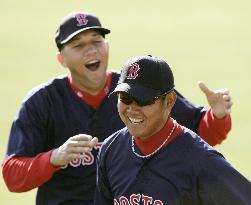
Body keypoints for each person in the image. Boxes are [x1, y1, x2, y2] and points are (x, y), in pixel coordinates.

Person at [2, 12, 232, 205]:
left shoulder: (135, 89)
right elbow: (12, 175)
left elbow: (199, 136)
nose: (91, 50)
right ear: (62, 58)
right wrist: (54, 158)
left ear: (107, 46)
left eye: (96, 41)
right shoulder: (42, 102)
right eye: (78, 45)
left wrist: (217, 116)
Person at [94, 55, 251, 205]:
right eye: (125, 98)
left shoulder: (201, 161)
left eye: (144, 100)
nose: (132, 109)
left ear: (169, 101)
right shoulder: (111, 149)